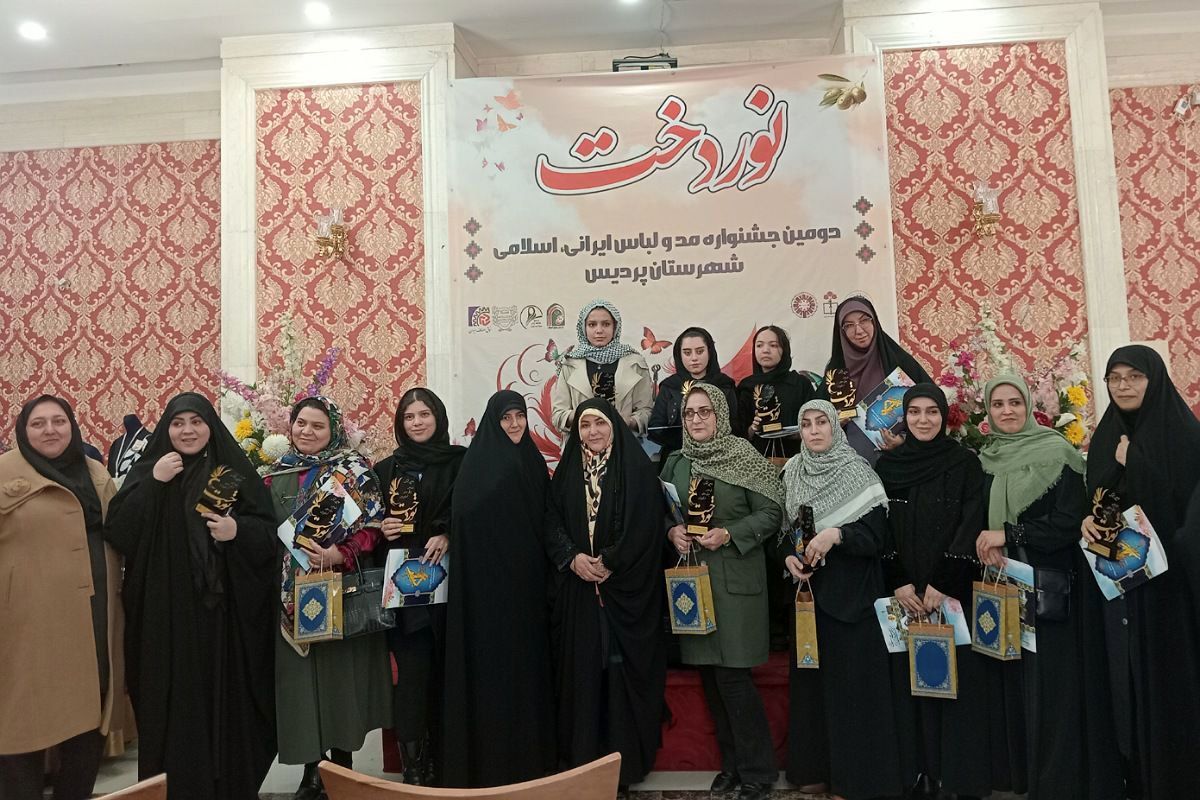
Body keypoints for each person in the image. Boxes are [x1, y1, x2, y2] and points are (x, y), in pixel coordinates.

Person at [104, 392, 277, 800]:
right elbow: (120, 531)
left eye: (196, 422)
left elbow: (269, 534)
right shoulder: (151, 471)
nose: (187, 431)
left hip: (223, 620)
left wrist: (238, 532)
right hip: (166, 617)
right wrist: (154, 483)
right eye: (178, 423)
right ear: (166, 429)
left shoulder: (231, 471)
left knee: (226, 706)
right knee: (171, 706)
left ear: (210, 426)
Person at [974, 375, 1123, 799]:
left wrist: (1008, 534)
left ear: (1029, 407)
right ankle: (1021, 778)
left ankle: (1058, 783)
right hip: (1002, 587)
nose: (1007, 411)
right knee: (1014, 681)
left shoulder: (1058, 453)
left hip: (1049, 588)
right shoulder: (985, 459)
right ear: (988, 411)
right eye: (998, 404)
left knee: (1053, 685)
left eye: (1014, 402)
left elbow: (1068, 523)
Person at [1081, 346, 1200, 798]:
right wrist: (1088, 521)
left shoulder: (1185, 437)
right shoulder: (1107, 436)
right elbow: (1104, 500)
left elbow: (1182, 513)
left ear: (1155, 380)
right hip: (1122, 584)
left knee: (1168, 685)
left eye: (1134, 376)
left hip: (1170, 593)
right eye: (1115, 378)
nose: (1124, 385)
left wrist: (1137, 462)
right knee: (1124, 682)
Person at [661, 384, 785, 800]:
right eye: (689, 413)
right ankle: (732, 766)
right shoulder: (677, 462)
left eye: (705, 412)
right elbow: (663, 510)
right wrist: (672, 531)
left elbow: (772, 512)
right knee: (711, 678)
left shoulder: (743, 456)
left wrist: (730, 533)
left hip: (736, 583)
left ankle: (758, 771)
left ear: (720, 414)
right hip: (693, 586)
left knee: (733, 678)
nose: (696, 419)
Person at [265, 396, 391, 799]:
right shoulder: (275, 474)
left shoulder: (354, 471)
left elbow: (372, 526)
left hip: (339, 589)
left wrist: (341, 552)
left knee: (339, 680)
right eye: (301, 423)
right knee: (302, 683)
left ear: (333, 430)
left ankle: (342, 766)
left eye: (317, 425)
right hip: (290, 595)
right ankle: (311, 770)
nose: (307, 432)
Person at [0, 396, 123, 800]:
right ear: (22, 430)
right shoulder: (4, 473)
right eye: (38, 423)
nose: (50, 430)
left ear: (72, 426)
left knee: (87, 722)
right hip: (24, 626)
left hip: (93, 620)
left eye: (59, 421)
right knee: (20, 726)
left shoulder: (95, 473)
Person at [780, 399, 902, 800]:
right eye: (807, 424)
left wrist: (838, 535)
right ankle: (815, 769)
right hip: (809, 599)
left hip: (852, 600)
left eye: (822, 422)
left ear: (835, 427)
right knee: (813, 689)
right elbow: (784, 533)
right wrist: (788, 557)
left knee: (851, 693)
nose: (814, 431)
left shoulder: (858, 472)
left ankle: (853, 781)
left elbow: (877, 538)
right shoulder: (793, 472)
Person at [544, 398, 666, 790]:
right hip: (579, 591)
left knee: (618, 676)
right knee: (582, 674)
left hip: (624, 591)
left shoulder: (637, 469)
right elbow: (550, 521)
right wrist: (572, 558)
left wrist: (612, 561)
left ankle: (624, 767)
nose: (592, 431)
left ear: (613, 426)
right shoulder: (567, 471)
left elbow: (646, 523)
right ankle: (583, 762)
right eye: (585, 425)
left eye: (600, 423)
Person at [875, 384, 990, 800]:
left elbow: (971, 521)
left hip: (950, 592)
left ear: (944, 417)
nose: (923, 420)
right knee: (910, 682)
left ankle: (957, 778)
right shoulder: (889, 467)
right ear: (904, 418)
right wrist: (899, 580)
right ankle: (919, 773)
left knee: (955, 683)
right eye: (915, 412)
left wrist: (943, 581)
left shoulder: (964, 463)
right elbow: (881, 525)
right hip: (906, 594)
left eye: (932, 412)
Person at [442, 390, 556, 788]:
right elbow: (464, 519)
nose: (514, 424)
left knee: (527, 671)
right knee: (492, 674)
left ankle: (531, 758)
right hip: (487, 594)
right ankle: (490, 761)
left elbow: (546, 516)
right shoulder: (476, 465)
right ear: (493, 421)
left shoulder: (533, 460)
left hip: (528, 588)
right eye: (506, 418)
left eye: (519, 416)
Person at [372, 388, 466, 785]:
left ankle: (447, 761)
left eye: (424, 414)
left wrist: (447, 532)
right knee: (412, 675)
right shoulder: (385, 470)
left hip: (452, 589)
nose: (416, 423)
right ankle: (413, 766)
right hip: (405, 593)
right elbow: (366, 522)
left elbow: (473, 509)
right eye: (409, 417)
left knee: (448, 675)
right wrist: (381, 527)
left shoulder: (461, 462)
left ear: (438, 417)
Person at [818, 297, 932, 462]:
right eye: (849, 325)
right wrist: (833, 421)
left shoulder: (898, 361)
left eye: (864, 320)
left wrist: (903, 440)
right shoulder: (837, 371)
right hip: (848, 464)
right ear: (841, 332)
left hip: (900, 460)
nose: (858, 330)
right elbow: (816, 417)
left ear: (875, 322)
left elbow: (932, 405)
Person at [551, 300, 653, 435]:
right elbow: (558, 415)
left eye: (606, 324)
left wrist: (627, 421)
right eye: (592, 324)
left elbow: (646, 412)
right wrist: (584, 415)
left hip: (623, 441)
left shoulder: (635, 363)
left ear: (615, 327)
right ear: (583, 328)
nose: (599, 330)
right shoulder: (570, 364)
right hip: (582, 443)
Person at [648, 327, 739, 459]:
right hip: (678, 456)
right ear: (679, 355)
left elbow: (737, 426)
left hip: (720, 456)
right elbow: (656, 429)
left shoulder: (724, 385)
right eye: (687, 353)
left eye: (700, 351)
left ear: (710, 352)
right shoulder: (670, 386)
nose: (694, 358)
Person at [735, 325, 814, 460]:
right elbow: (739, 434)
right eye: (759, 345)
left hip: (797, 459)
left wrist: (796, 432)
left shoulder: (800, 384)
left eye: (773, 345)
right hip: (755, 462)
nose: (765, 350)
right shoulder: (747, 386)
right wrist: (753, 428)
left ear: (784, 350)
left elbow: (815, 425)